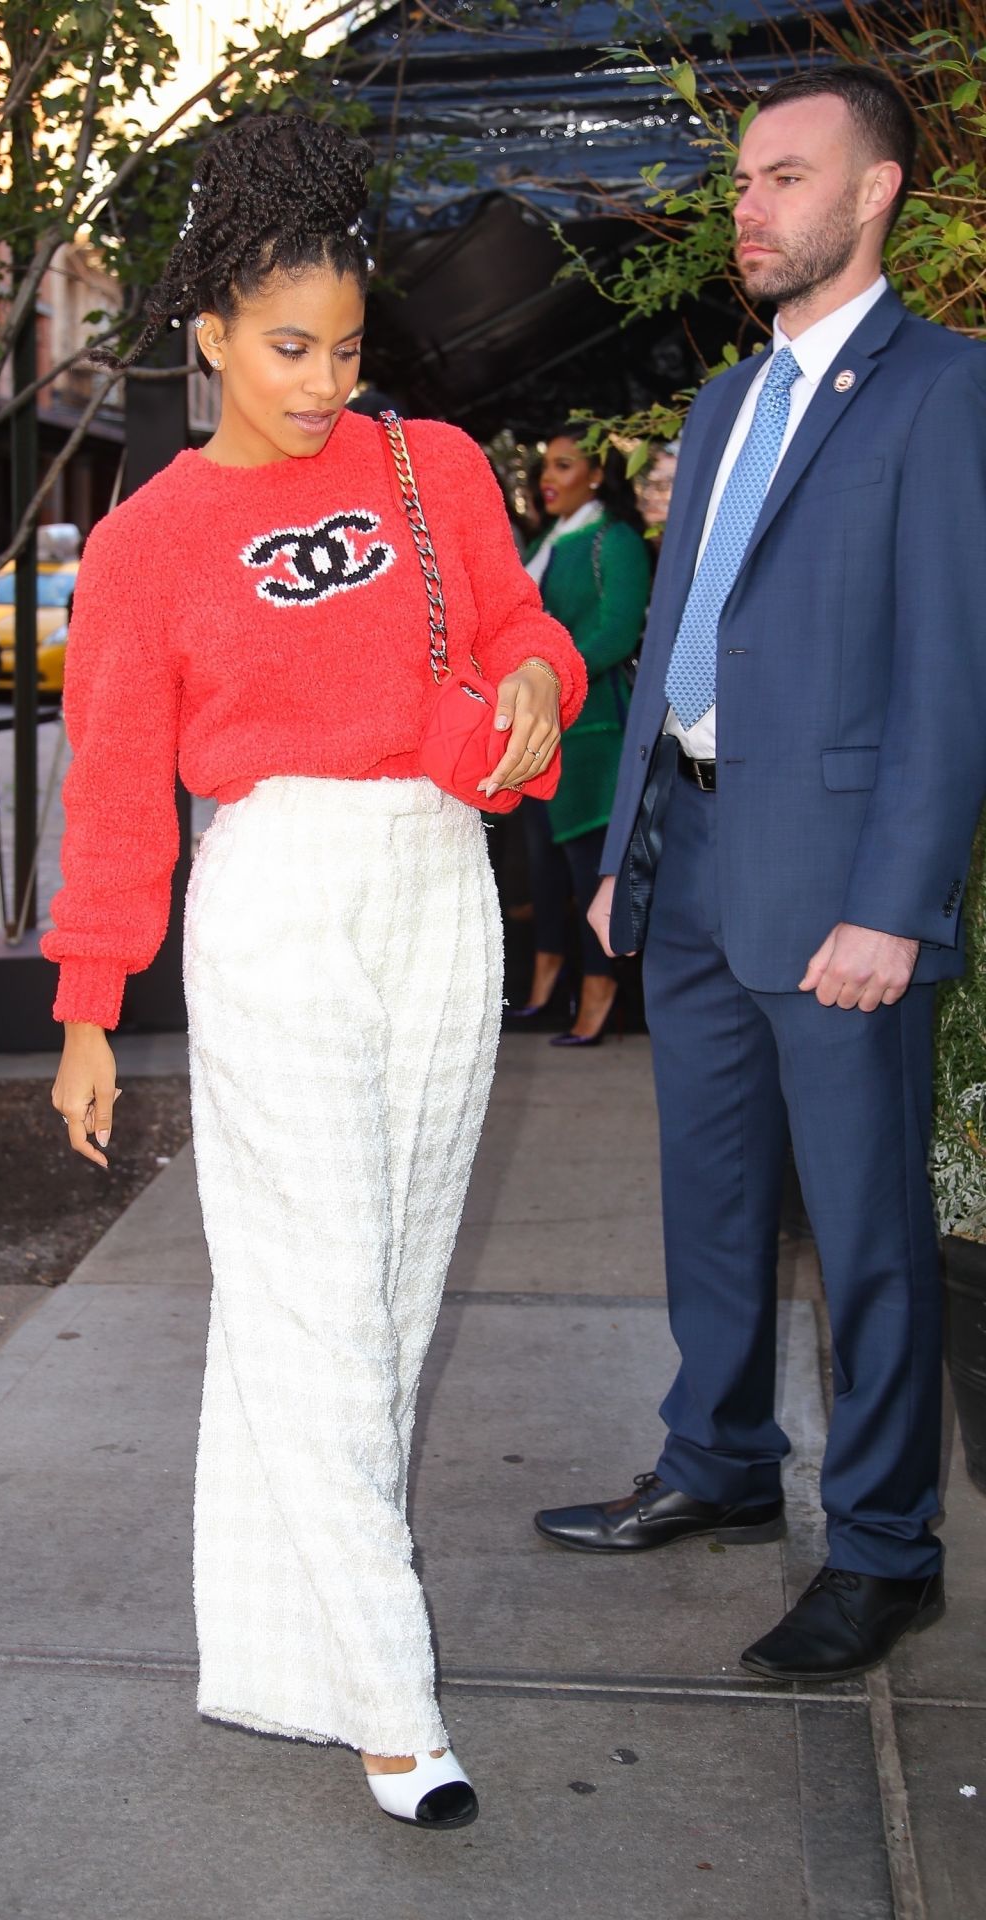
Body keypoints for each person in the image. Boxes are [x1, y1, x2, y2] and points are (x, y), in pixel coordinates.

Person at [43, 113, 585, 1827]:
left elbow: (520, 634)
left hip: (437, 890)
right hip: (273, 903)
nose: (323, 380)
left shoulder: (428, 468)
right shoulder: (144, 546)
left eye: (349, 347)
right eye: (289, 348)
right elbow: (121, 791)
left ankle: (294, 1647)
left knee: (390, 1292)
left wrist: (544, 691)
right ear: (206, 329)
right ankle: (392, 1701)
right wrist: (86, 1009)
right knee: (320, 1299)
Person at [535, 66, 986, 1682]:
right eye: (742, 180)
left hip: (845, 886)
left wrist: (897, 900)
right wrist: (628, 850)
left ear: (873, 196)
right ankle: (719, 1463)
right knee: (711, 1201)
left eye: (786, 176)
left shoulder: (947, 390)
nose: (750, 205)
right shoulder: (724, 402)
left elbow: (954, 668)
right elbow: (678, 633)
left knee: (864, 1239)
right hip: (698, 856)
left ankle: (884, 1553)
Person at [509, 427, 650, 1041]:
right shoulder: (546, 543)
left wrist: (548, 675)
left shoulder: (613, 540)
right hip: (543, 731)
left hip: (594, 731)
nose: (548, 477)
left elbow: (619, 632)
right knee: (546, 869)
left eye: (564, 465)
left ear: (595, 475)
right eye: (546, 465)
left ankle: (599, 999)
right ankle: (548, 985)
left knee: (593, 871)